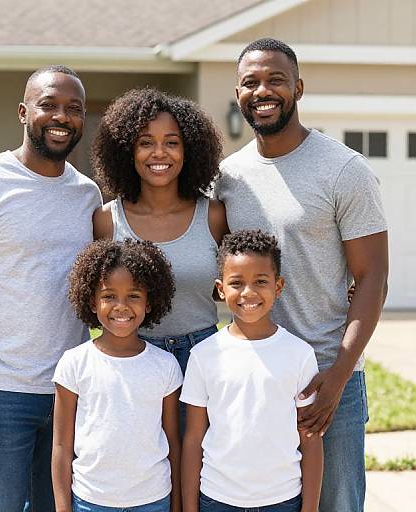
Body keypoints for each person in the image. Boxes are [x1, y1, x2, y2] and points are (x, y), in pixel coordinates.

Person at [215, 38, 388, 512]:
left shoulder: (344, 170)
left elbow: (372, 278)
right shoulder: (228, 178)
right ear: (238, 93)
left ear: (299, 88)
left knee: (335, 504)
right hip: (254, 375)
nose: (263, 90)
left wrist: (337, 376)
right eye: (251, 82)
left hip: (325, 376)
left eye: (275, 79)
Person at [0, 65, 102, 512]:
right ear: (24, 112)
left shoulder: (87, 196)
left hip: (70, 389)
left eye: (74, 109)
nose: (61, 117)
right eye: (49, 105)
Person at [181, 230, 323, 512]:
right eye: (237, 283)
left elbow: (310, 439)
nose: (248, 293)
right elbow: (193, 439)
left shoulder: (300, 354)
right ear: (221, 289)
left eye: (261, 281)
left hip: (283, 500)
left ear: (278, 286)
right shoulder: (203, 355)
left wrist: (310, 508)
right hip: (217, 499)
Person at [92, 88, 228, 382]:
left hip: (204, 358)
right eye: (145, 143)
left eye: (172, 142)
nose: (159, 153)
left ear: (189, 149)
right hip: (131, 358)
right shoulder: (106, 220)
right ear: (127, 150)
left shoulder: (215, 216)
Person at [52, 238, 183, 512]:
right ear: (91, 301)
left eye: (133, 296)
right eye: (109, 296)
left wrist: (177, 504)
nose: (121, 306)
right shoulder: (74, 363)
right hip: (90, 501)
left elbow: (173, 443)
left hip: (153, 500)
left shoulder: (166, 365)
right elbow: (62, 447)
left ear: (149, 303)